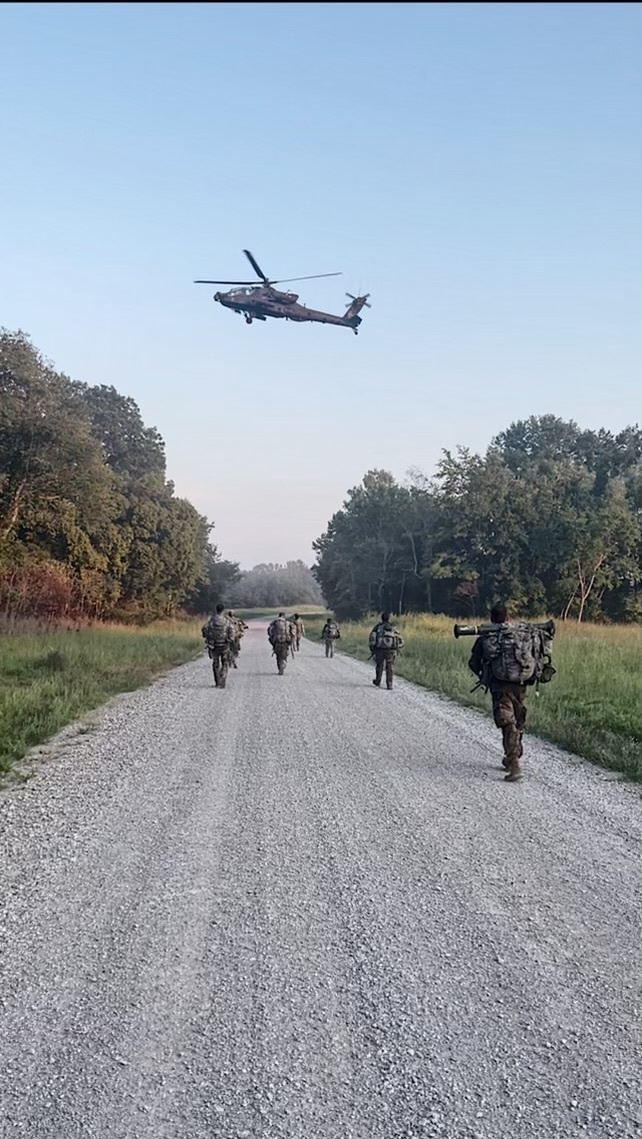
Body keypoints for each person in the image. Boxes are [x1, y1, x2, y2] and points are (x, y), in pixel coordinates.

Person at [468, 603, 527, 782]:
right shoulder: (521, 634)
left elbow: (473, 663)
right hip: (521, 683)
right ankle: (512, 755)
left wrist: (484, 673)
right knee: (516, 720)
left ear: (492, 619)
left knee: (507, 721)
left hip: (500, 686)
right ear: (507, 617)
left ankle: (514, 763)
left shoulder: (487, 637)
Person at [201, 604, 236, 689]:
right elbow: (231, 630)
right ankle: (223, 677)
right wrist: (230, 639)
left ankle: (217, 681)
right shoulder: (226, 621)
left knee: (215, 663)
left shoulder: (212, 620)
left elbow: (204, 629)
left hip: (214, 645)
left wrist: (207, 638)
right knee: (225, 662)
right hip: (224, 645)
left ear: (216, 610)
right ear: (223, 610)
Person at [368, 612, 404, 690]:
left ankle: (378, 681)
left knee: (379, 666)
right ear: (389, 618)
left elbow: (372, 638)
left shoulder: (378, 627)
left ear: (382, 618)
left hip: (379, 650)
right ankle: (389, 684)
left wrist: (372, 648)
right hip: (391, 651)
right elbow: (400, 640)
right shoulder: (392, 627)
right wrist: (397, 647)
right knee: (390, 667)